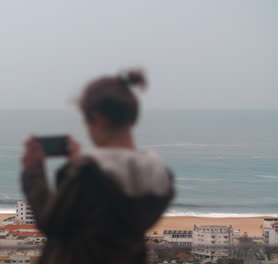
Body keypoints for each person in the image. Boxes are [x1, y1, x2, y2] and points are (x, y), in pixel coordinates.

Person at [20, 69, 175, 264]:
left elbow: (50, 223)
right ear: (132, 118)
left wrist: (33, 170)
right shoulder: (159, 176)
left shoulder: (85, 175)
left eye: (86, 121)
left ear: (98, 119)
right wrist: (78, 164)